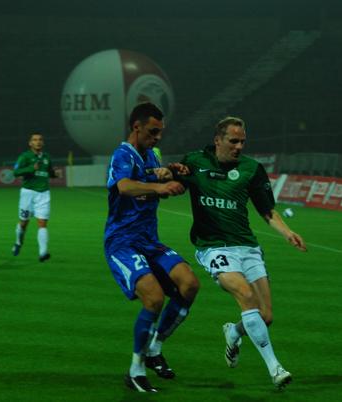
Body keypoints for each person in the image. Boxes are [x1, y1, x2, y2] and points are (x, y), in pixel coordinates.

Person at [179, 116, 307, 389]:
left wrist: (288, 233)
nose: (239, 146)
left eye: (242, 142)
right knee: (246, 295)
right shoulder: (195, 161)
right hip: (213, 246)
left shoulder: (251, 169)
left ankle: (233, 332)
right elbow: (174, 181)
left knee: (265, 316)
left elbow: (267, 211)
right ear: (218, 140)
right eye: (233, 141)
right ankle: (275, 368)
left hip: (247, 246)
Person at [104, 102, 200, 393]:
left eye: (160, 132)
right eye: (152, 132)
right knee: (155, 299)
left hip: (149, 241)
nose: (157, 137)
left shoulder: (151, 154)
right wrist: (159, 187)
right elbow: (125, 186)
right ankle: (135, 370)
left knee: (189, 284)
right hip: (122, 242)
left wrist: (171, 172)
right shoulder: (122, 154)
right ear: (137, 127)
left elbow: (154, 174)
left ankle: (155, 348)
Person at [11, 132, 61, 262]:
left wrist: (55, 174)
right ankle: (18, 242)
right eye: (35, 140)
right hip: (28, 193)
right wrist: (30, 168)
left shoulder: (47, 157)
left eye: (40, 140)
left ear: (42, 143)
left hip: (44, 193)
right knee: (24, 223)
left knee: (42, 223)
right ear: (30, 143)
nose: (37, 142)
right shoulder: (25, 157)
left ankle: (43, 252)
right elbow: (15, 172)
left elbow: (49, 172)